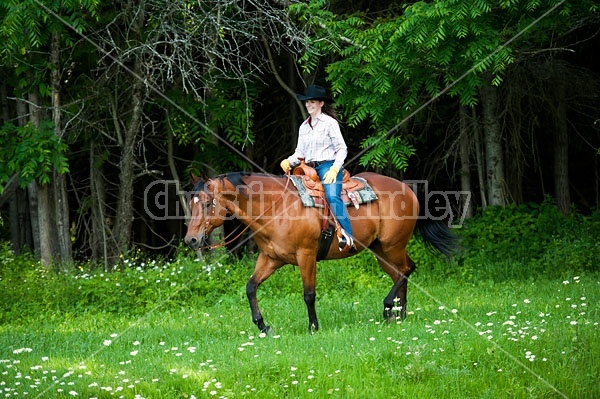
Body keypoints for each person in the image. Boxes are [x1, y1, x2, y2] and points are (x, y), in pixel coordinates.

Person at [280, 85, 354, 251]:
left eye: (312, 102)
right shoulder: (304, 127)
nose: (309, 105)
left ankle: (348, 236)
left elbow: (342, 148)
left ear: (321, 103)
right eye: (307, 102)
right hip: (307, 168)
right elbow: (300, 152)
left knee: (332, 196)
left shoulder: (330, 123)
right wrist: (288, 161)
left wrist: (335, 169)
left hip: (328, 165)